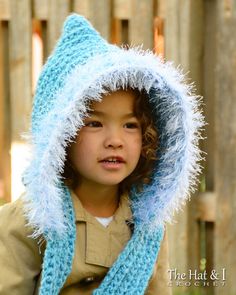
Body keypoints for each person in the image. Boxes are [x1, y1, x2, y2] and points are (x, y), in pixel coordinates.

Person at [0, 14, 204, 295]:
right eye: (95, 124)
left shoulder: (146, 222)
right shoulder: (31, 220)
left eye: (130, 125)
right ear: (62, 135)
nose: (115, 141)